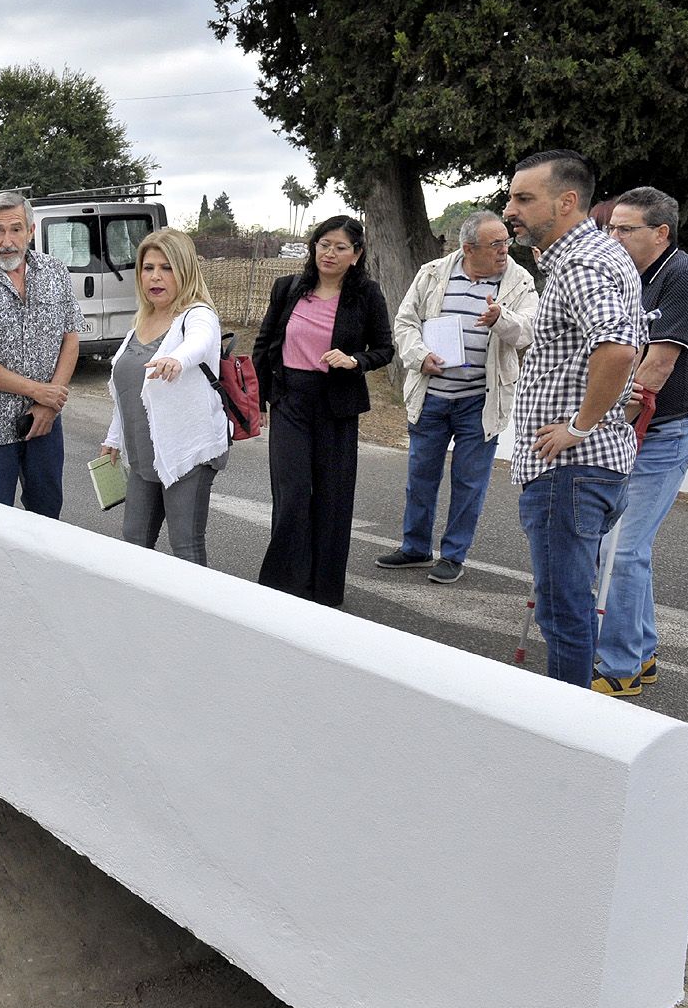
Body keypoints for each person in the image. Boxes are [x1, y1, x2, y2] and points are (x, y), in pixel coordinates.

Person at [503, 150, 646, 688]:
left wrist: (579, 427)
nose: (510, 210)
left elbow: (618, 348)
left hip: (571, 469)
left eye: (524, 198)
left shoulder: (582, 262)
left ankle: (568, 723)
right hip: (591, 467)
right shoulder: (599, 255)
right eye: (511, 197)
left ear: (566, 201)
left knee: (563, 611)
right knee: (570, 604)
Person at [593, 186, 688, 696]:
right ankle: (640, 652)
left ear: (661, 233)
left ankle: (620, 668)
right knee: (622, 547)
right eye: (610, 228)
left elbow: (657, 366)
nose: (614, 237)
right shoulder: (629, 277)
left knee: (620, 550)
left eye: (626, 229)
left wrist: (601, 420)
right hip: (630, 428)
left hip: (664, 431)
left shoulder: (684, 275)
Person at [376, 211, 537, 583]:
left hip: (480, 401)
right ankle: (415, 548)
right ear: (468, 248)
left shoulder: (519, 280)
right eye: (495, 244)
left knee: (469, 483)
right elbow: (405, 321)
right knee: (420, 477)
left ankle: (453, 555)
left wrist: (501, 318)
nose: (504, 249)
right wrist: (420, 356)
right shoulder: (433, 273)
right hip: (431, 395)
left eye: (506, 241)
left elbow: (529, 331)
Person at [251, 215, 394, 607]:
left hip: (336, 406)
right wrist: (259, 400)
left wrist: (354, 360)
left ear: (356, 254)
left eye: (340, 247)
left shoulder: (366, 295)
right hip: (290, 402)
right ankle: (282, 587)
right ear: (314, 247)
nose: (330, 253)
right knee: (293, 495)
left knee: (332, 500)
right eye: (324, 244)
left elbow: (385, 349)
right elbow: (264, 343)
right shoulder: (288, 288)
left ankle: (324, 592)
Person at [99, 227, 231, 565]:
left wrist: (178, 359)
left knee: (185, 544)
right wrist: (113, 438)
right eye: (148, 268)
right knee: (134, 537)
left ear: (184, 270)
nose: (155, 276)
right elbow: (127, 388)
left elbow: (199, 342)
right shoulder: (141, 322)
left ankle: (195, 601)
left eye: (167, 268)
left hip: (186, 450)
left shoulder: (198, 314)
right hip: (143, 454)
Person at [0, 190, 83, 518]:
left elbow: (70, 338)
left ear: (31, 231)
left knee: (47, 511)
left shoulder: (55, 273)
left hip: (45, 422)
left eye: (15, 229)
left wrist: (48, 405)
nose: (7, 241)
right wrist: (38, 391)